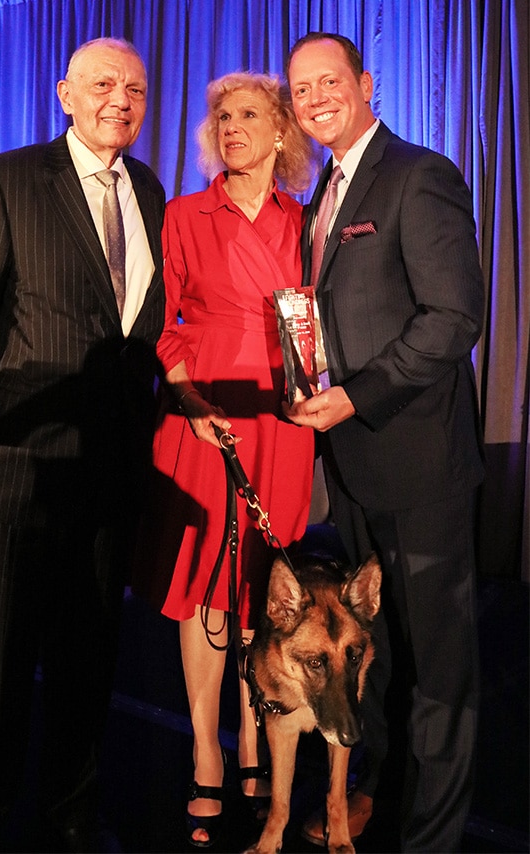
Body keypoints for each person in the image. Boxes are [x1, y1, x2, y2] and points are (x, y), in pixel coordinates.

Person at [0, 37, 165, 853]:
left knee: (88, 659)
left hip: (114, 468)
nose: (119, 100)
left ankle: (70, 813)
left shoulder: (151, 190)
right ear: (65, 93)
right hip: (20, 467)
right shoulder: (6, 180)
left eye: (134, 88)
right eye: (101, 84)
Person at [284, 32, 484, 852]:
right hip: (356, 468)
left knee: (439, 667)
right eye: (301, 89)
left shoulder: (418, 174)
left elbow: (452, 319)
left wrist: (352, 398)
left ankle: (430, 838)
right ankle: (387, 795)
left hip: (419, 462)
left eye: (329, 80)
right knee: (382, 654)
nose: (315, 97)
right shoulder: (318, 195)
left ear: (366, 84)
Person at [131, 72, 315, 847]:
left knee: (260, 587)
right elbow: (160, 322)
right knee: (205, 581)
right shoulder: (183, 213)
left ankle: (253, 735)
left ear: (280, 131)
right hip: (203, 414)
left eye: (248, 115)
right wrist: (187, 398)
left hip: (280, 416)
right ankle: (207, 747)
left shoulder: (305, 219)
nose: (231, 127)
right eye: (221, 116)